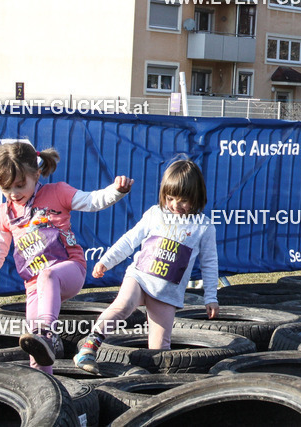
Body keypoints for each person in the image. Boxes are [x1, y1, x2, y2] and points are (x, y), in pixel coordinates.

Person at [0, 142, 133, 373]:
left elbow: (92, 201)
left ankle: (48, 334)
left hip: (69, 270)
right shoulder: (5, 213)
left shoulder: (56, 192)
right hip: (35, 286)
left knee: (48, 275)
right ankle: (48, 389)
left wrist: (116, 191)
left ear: (37, 174)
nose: (14, 193)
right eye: (6, 188)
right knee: (36, 350)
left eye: (20, 185)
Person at [73, 157, 218, 373]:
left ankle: (151, 383)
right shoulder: (155, 214)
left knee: (159, 347)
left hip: (167, 293)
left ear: (196, 197)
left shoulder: (204, 227)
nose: (175, 205)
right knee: (122, 306)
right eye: (170, 198)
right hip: (139, 278)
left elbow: (209, 263)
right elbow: (129, 240)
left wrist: (211, 297)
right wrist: (106, 261)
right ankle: (89, 347)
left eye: (183, 200)